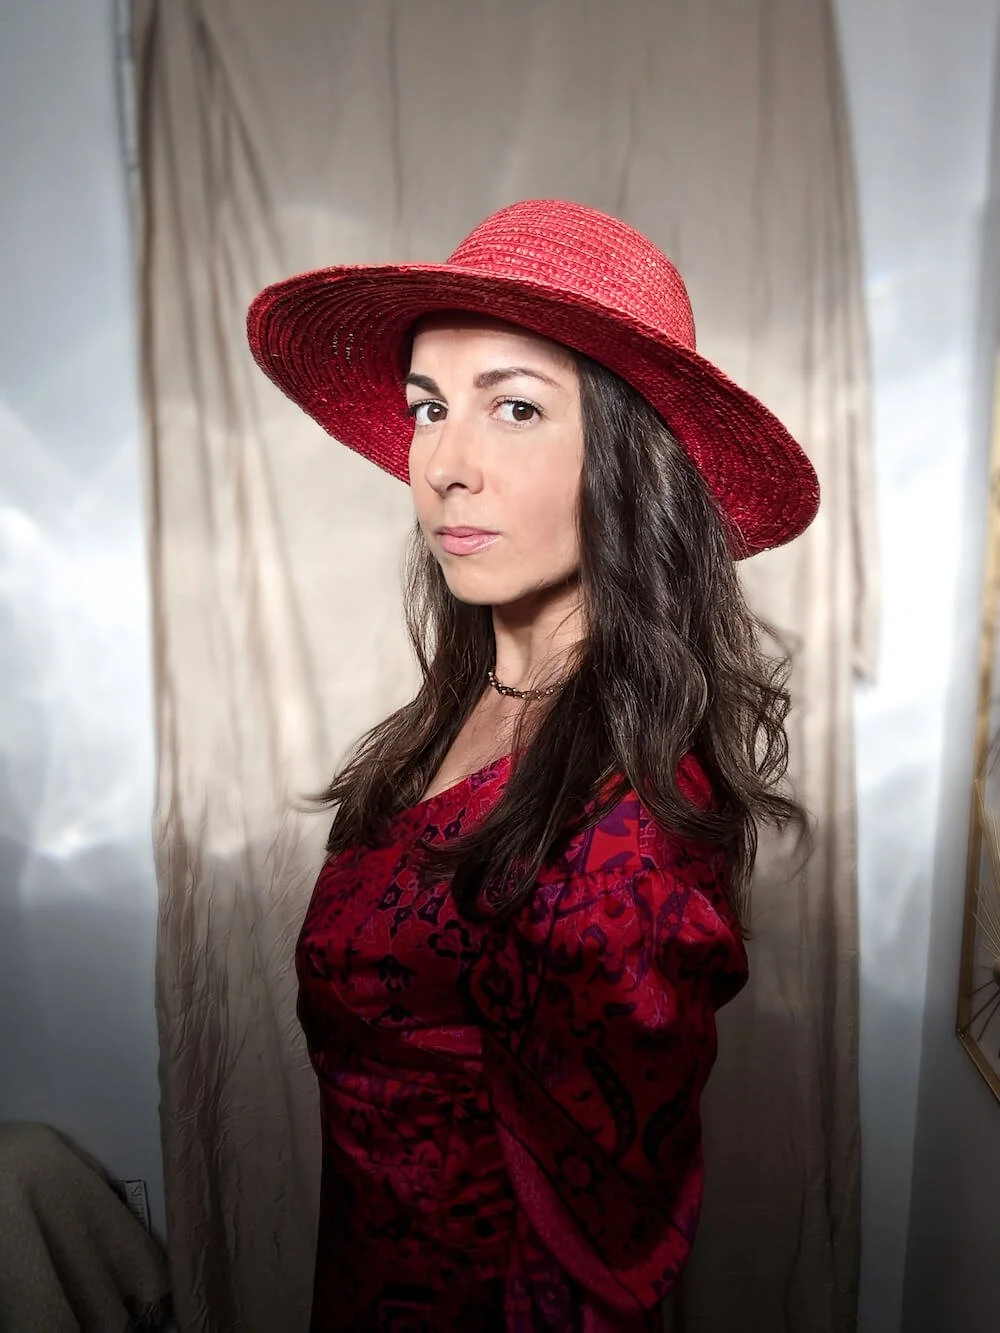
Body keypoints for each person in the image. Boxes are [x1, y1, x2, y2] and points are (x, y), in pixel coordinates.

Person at [247, 199, 818, 1333]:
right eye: (427, 407)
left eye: (514, 406)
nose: (445, 464)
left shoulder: (625, 825)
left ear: (627, 457)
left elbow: (601, 1265)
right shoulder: (466, 706)